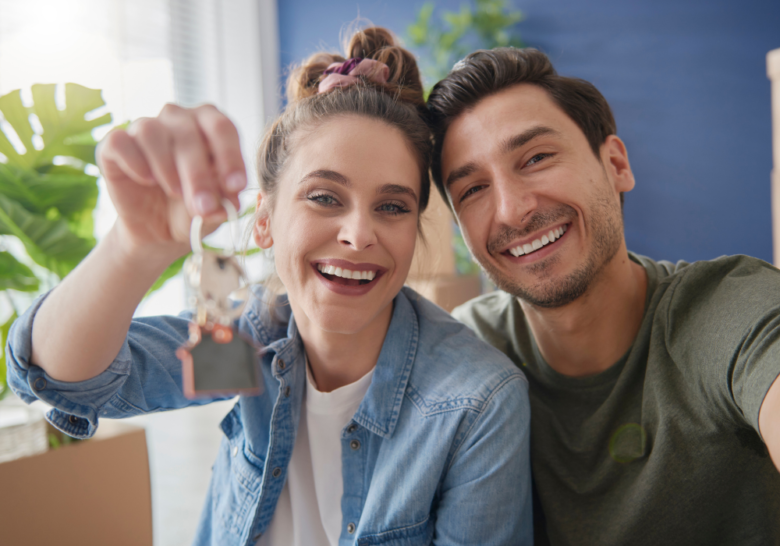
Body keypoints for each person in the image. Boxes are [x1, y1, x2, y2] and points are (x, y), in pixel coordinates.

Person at [6, 29, 533, 546]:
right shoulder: (250, 343)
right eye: (325, 197)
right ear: (264, 222)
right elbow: (63, 378)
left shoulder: (476, 401)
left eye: (392, 207)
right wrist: (134, 246)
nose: (358, 234)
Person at [425, 47, 780, 546]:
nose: (511, 210)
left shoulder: (729, 308)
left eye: (537, 158)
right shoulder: (463, 353)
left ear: (615, 164)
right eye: (473, 190)